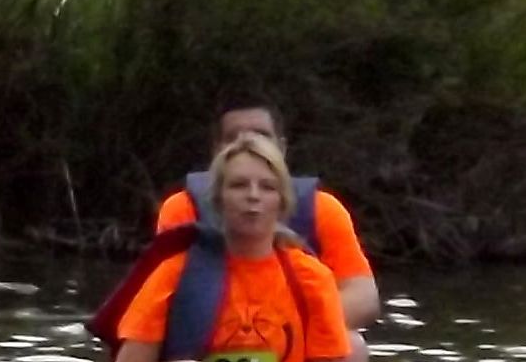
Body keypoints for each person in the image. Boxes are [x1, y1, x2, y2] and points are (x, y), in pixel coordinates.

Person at [106, 131, 363, 362]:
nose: (253, 196)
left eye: (267, 187)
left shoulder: (312, 277)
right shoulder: (174, 271)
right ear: (219, 200)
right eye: (239, 185)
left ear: (281, 202)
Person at [154, 101, 378, 332]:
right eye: (234, 138)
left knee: (353, 346)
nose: (248, 146)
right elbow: (160, 303)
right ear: (217, 151)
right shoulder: (182, 207)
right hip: (205, 344)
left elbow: (363, 298)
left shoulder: (324, 210)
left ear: (281, 148)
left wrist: (279, 331)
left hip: (296, 341)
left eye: (261, 136)